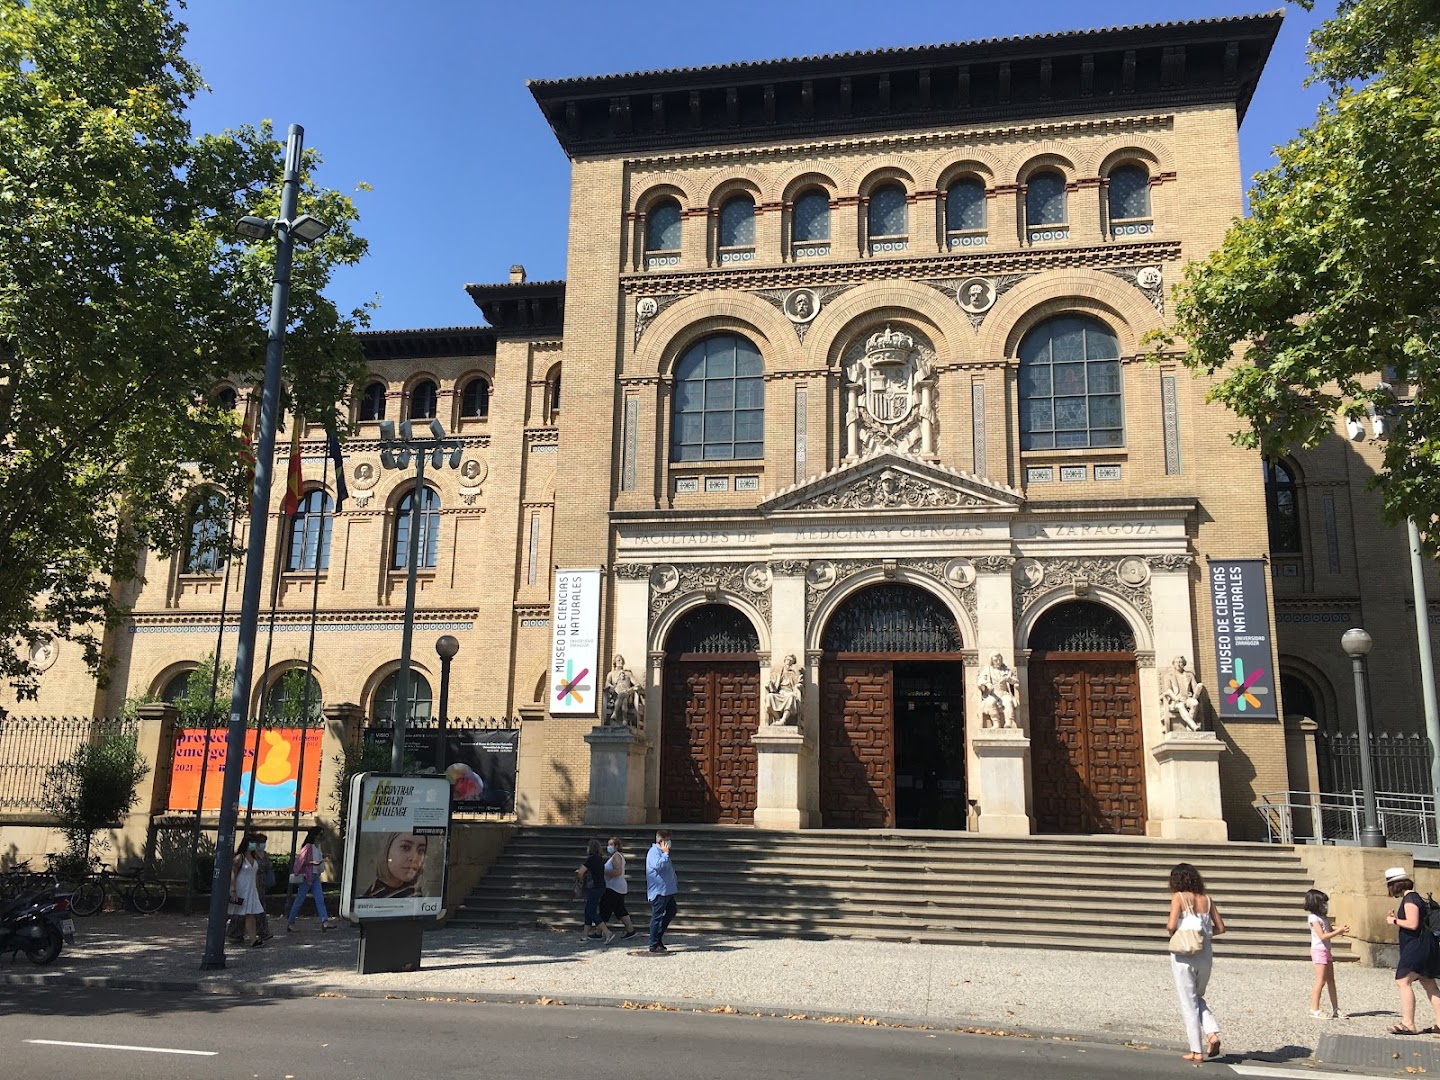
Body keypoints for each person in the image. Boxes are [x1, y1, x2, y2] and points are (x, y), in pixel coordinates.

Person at [1166, 862, 1224, 1063]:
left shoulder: (1179, 898)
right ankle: (1212, 1033)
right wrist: (1204, 935)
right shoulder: (1207, 900)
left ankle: (1196, 1051)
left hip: (1184, 953)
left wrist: (1179, 933)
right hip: (1205, 952)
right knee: (1197, 997)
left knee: (1188, 1001)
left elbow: (1171, 925)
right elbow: (1221, 928)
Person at [1384, 866, 1440, 1034]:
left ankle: (1408, 1023)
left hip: (1417, 946)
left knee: (1403, 981)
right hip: (1427, 945)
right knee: (1429, 983)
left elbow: (1412, 923)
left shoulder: (1410, 899)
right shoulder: (1416, 898)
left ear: (1395, 885)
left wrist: (1393, 921)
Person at [1305, 888, 1348, 1019]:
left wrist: (1340, 929)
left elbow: (1330, 930)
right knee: (1320, 980)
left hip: (1326, 950)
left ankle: (1335, 1008)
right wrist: (1338, 932)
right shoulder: (1313, 918)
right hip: (1319, 950)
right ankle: (1314, 1008)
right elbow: (1323, 936)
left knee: (1331, 980)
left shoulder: (1322, 917)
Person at [287, 826, 335, 932]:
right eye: (320, 834)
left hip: (315, 875)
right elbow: (300, 861)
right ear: (315, 835)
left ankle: (325, 921)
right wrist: (313, 863)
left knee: (320, 899)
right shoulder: (308, 846)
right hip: (307, 876)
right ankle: (290, 922)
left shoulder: (317, 847)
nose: (322, 837)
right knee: (300, 899)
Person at [228, 832, 269, 948]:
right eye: (251, 842)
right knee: (239, 913)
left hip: (251, 889)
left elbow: (255, 874)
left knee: (250, 913)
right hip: (242, 888)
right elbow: (233, 874)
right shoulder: (239, 858)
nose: (253, 845)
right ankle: (232, 934)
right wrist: (233, 889)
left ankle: (253, 939)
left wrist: (256, 888)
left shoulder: (254, 857)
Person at [360, 832, 428, 899]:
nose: (414, 858)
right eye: (405, 847)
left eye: (421, 851)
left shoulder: (414, 890)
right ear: (387, 849)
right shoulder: (372, 897)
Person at [646, 829, 678, 954]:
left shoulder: (663, 852)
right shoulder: (654, 852)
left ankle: (658, 938)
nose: (669, 843)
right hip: (659, 891)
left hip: (668, 890)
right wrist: (665, 854)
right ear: (662, 841)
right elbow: (658, 866)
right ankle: (653, 943)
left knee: (671, 911)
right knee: (657, 916)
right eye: (667, 840)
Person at [600, 837, 638, 939]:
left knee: (605, 908)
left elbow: (618, 872)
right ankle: (630, 930)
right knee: (619, 909)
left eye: (611, 844)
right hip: (618, 887)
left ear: (616, 846)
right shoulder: (616, 856)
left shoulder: (616, 856)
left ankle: (598, 932)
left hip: (613, 887)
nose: (609, 847)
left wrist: (602, 871)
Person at [578, 838, 613, 943]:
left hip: (594, 887)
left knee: (591, 911)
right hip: (601, 886)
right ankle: (584, 935)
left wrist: (580, 879)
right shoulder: (600, 859)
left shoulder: (590, 859)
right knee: (589, 910)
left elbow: (581, 872)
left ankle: (607, 932)